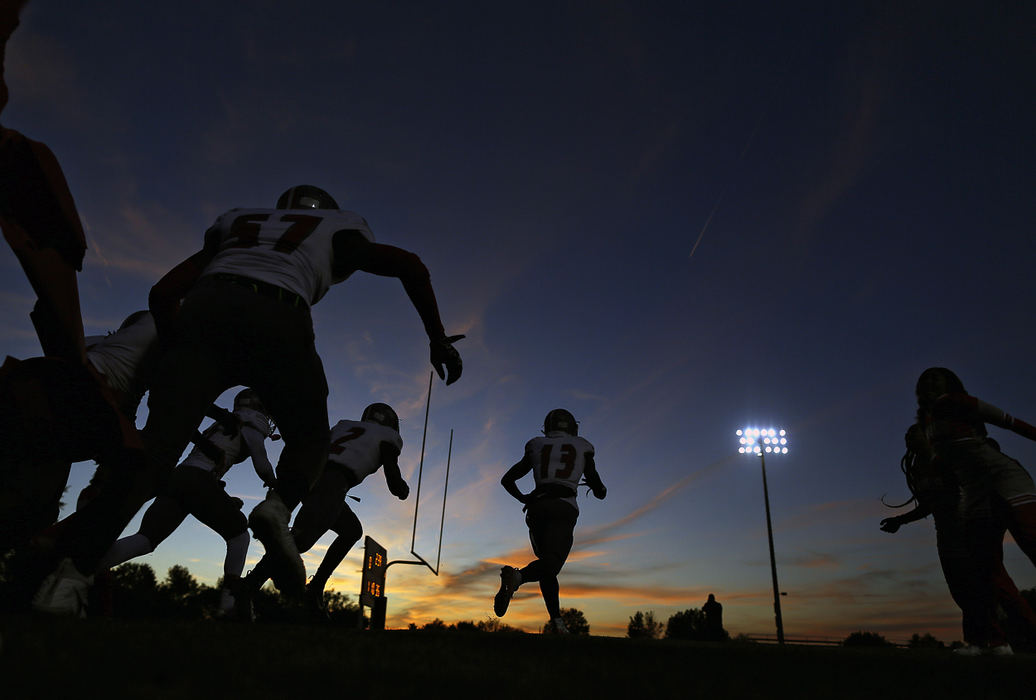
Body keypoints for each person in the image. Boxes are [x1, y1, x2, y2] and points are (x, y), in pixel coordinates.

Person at [31, 184, 464, 615]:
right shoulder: (336, 226)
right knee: (309, 438)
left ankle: (67, 582)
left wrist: (178, 350)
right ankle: (277, 508)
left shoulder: (237, 221)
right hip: (278, 313)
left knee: (154, 455)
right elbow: (410, 265)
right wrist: (437, 338)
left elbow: (163, 293)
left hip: (204, 310)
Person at [98, 389, 276, 617]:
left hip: (179, 476)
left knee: (145, 540)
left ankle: (81, 566)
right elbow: (262, 464)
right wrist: (274, 483)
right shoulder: (251, 424)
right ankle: (230, 602)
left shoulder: (224, 423)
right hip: (197, 480)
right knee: (239, 534)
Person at [241, 402, 409, 618]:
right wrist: (402, 489)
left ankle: (316, 586)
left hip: (309, 474)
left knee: (351, 530)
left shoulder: (344, 426)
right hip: (333, 481)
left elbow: (313, 444)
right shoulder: (387, 436)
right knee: (297, 543)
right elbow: (393, 478)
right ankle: (249, 586)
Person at [880, 423, 1036, 652]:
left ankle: (997, 640)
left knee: (988, 584)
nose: (909, 437)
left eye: (915, 433)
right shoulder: (919, 467)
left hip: (970, 525)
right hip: (946, 532)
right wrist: (900, 521)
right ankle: (983, 640)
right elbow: (929, 504)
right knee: (961, 588)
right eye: (907, 435)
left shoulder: (950, 459)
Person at [914, 367, 1036, 655]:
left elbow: (1009, 421)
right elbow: (947, 465)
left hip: (1005, 481)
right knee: (983, 567)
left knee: (1031, 544)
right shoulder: (928, 423)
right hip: (976, 492)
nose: (931, 383)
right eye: (926, 380)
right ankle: (992, 642)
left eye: (937, 378)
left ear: (951, 384)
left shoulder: (959, 403)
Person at [494, 408, 606, 633]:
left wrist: (523, 497)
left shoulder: (536, 444)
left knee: (547, 565)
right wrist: (599, 488)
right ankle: (518, 577)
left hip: (536, 507)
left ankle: (557, 622)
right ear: (572, 427)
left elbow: (507, 479)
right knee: (552, 563)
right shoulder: (583, 446)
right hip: (563, 507)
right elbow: (596, 484)